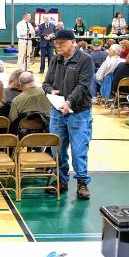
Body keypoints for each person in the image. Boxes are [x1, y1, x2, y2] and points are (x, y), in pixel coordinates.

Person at [42, 29, 95, 199]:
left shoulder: (85, 60)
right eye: (56, 43)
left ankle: (82, 183)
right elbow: (46, 83)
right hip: (57, 112)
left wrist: (69, 101)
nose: (58, 46)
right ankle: (60, 180)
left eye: (62, 43)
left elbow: (83, 85)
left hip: (79, 112)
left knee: (79, 148)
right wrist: (51, 91)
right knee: (57, 148)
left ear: (73, 42)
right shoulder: (55, 60)